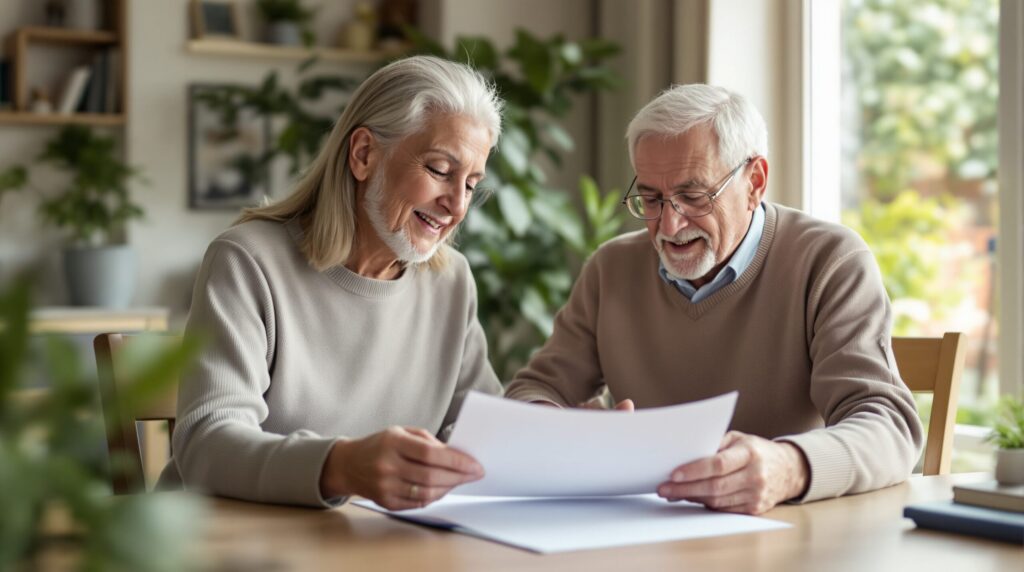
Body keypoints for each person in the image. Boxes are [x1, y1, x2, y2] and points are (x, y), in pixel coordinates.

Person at [505, 84, 924, 515]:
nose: (669, 225)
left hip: (787, 533)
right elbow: (534, 389)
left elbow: (889, 428)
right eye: (651, 198)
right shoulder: (610, 269)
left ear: (755, 182)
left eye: (693, 196)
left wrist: (789, 467)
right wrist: (558, 428)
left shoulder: (830, 261)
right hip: (645, 530)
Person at [166, 56, 504, 510]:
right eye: (440, 171)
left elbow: (485, 432)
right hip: (226, 537)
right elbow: (206, 445)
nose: (457, 206)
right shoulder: (248, 260)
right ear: (363, 154)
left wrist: (560, 433)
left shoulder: (452, 282)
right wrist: (340, 466)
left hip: (367, 540)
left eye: (471, 184)